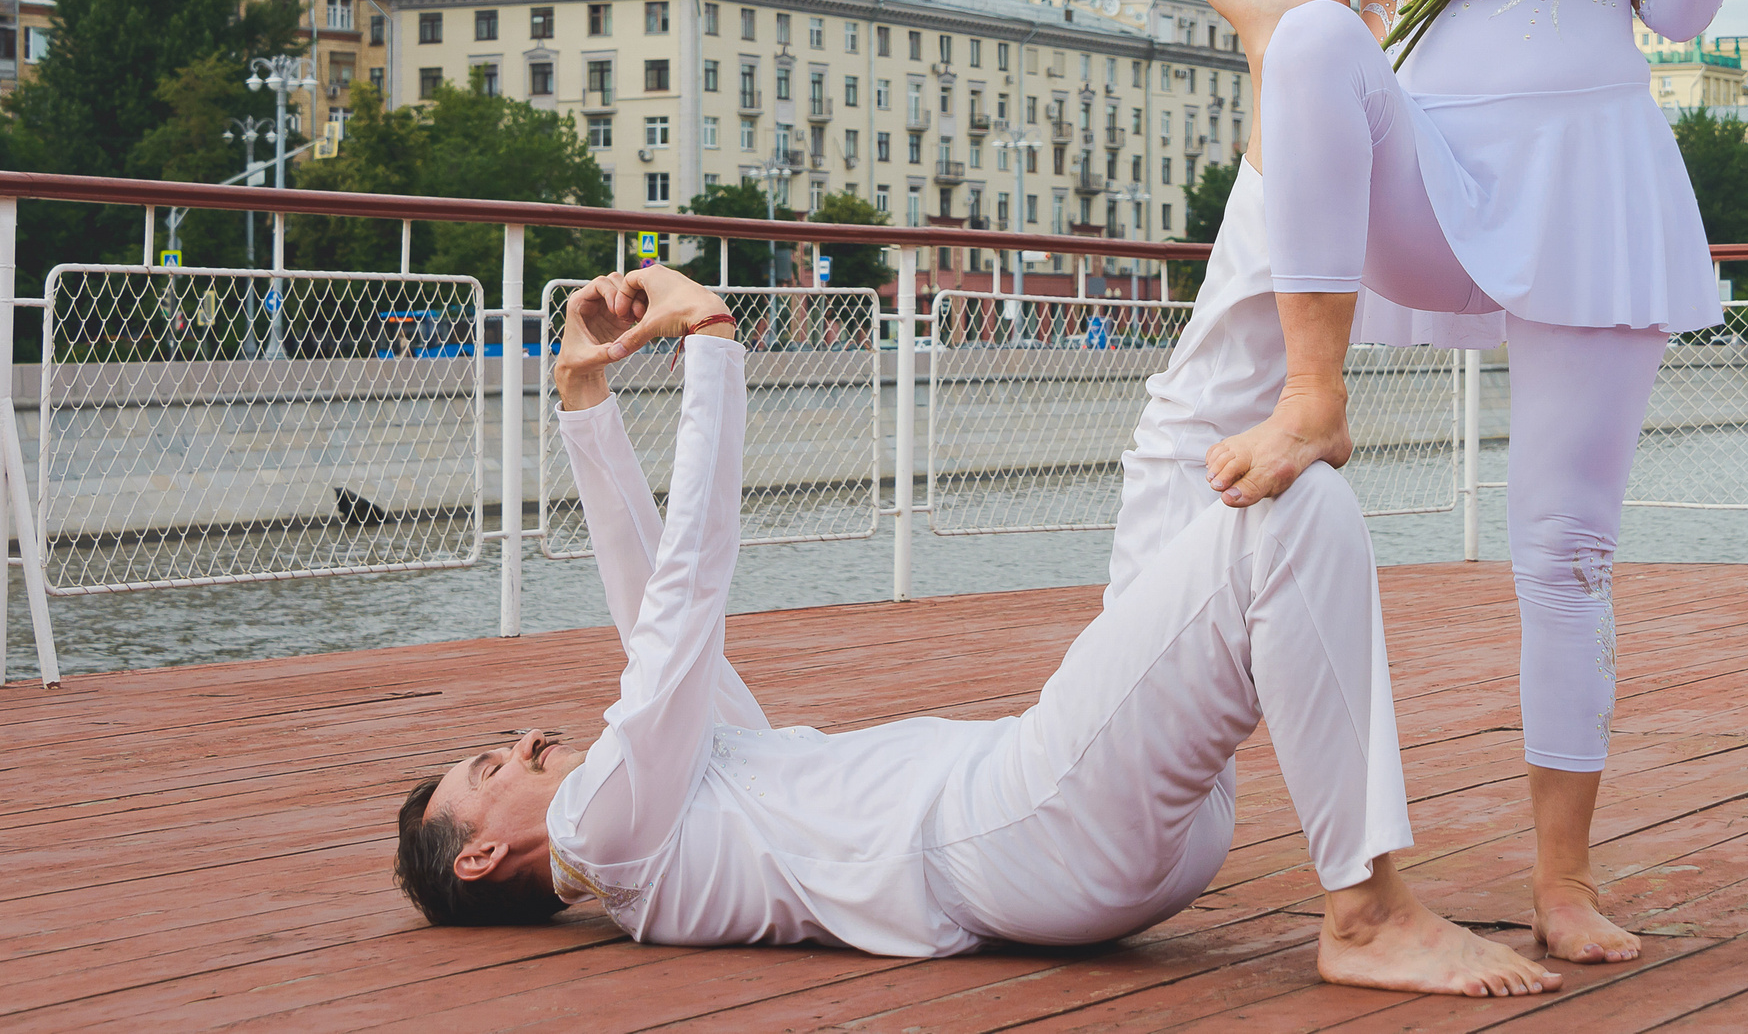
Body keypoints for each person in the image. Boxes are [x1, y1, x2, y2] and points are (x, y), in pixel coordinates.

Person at [1140, 0, 1748, 967]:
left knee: (1564, 553)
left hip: (1595, 174)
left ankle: (1562, 885)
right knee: (1302, 47)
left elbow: (1676, 7)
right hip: (1427, 163)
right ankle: (1317, 392)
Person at [393, 258, 1557, 998]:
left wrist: (585, 401)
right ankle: (1365, 910)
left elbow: (655, 612)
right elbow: (688, 598)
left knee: (1182, 431)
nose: (531, 740)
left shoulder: (667, 810)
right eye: (492, 768)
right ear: (488, 854)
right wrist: (713, 347)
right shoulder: (608, 834)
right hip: (1028, 828)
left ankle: (1280, 144)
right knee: (1289, 502)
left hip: (1068, 815)